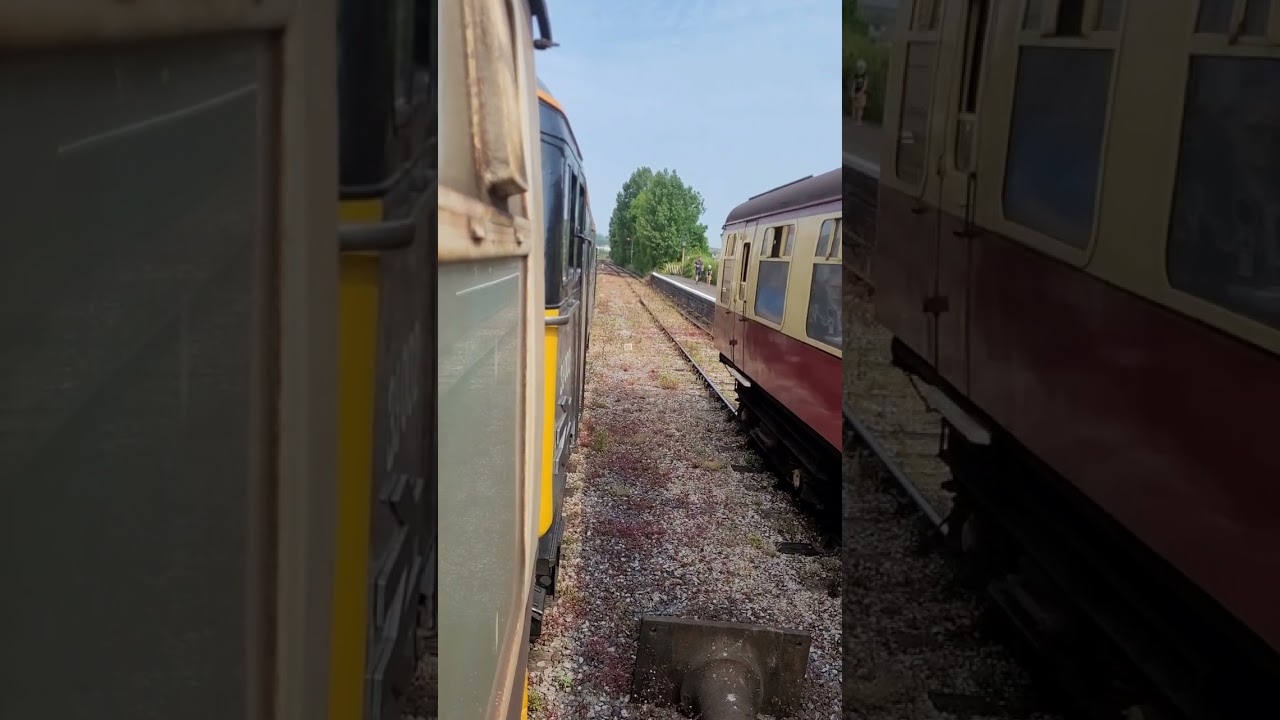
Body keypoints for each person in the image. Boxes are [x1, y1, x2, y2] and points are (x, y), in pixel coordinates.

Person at [851, 59, 868, 125]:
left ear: (864, 68)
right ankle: (854, 117)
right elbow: (854, 84)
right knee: (854, 105)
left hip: (862, 93)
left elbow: (865, 86)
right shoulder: (856, 75)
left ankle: (859, 119)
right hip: (856, 92)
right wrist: (852, 92)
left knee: (860, 107)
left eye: (862, 68)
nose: (860, 70)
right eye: (859, 68)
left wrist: (861, 93)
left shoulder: (865, 76)